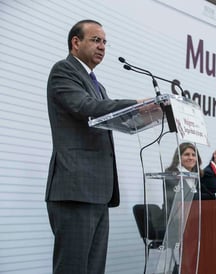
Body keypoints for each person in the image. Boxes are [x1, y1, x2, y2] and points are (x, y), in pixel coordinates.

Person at [45, 20, 141, 274]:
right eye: (95, 40)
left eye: (104, 42)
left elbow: (112, 116)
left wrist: (147, 112)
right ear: (75, 43)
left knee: (94, 269)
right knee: (73, 269)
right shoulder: (63, 71)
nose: (102, 47)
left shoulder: (99, 85)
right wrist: (136, 103)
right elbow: (85, 108)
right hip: (75, 189)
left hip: (98, 191)